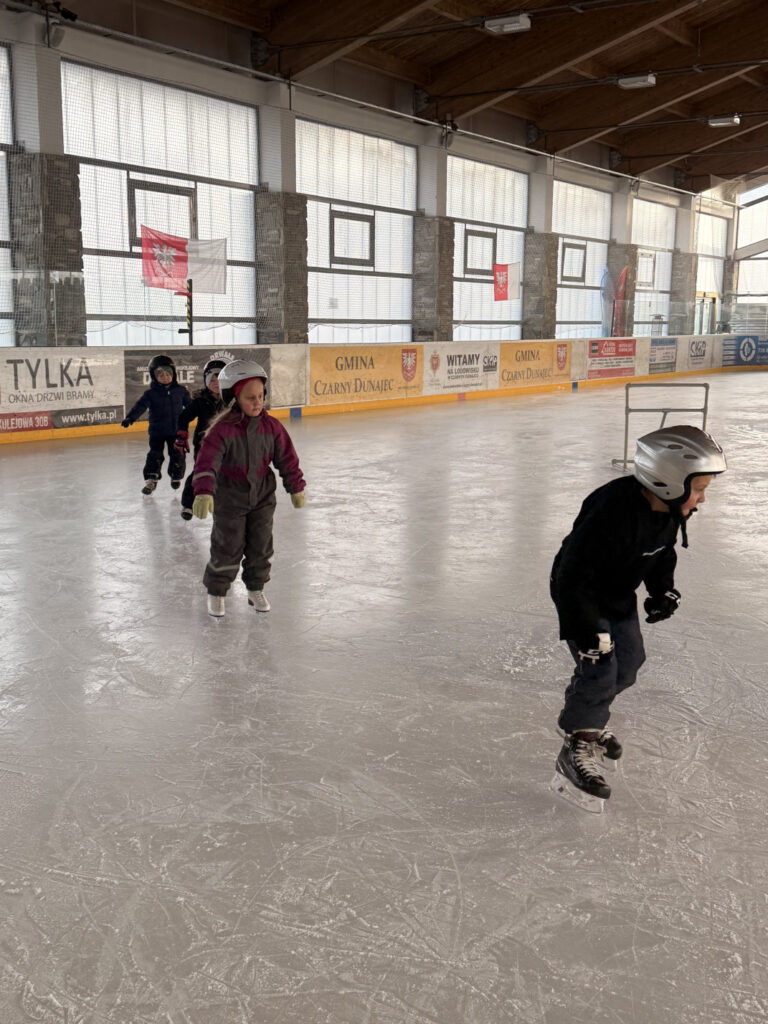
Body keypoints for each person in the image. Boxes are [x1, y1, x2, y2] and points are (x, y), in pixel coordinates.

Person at [549, 425, 727, 810]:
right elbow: (573, 575)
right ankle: (578, 740)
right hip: (581, 594)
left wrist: (661, 591)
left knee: (629, 664)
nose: (702, 499)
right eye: (699, 489)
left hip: (617, 594)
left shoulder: (669, 511)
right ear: (668, 482)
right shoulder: (611, 513)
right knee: (599, 669)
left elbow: (661, 552)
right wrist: (588, 630)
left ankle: (590, 716)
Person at [191, 359, 306, 618]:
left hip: (262, 497)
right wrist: (204, 491)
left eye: (261, 396)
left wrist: (296, 487)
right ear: (234, 399)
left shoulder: (272, 427)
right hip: (230, 498)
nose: (258, 402)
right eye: (250, 398)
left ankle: (255, 588)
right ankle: (217, 592)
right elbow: (206, 462)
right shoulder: (222, 430)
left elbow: (287, 459)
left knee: (261, 546)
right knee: (227, 546)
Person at [121, 354, 192, 495]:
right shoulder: (150, 394)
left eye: (168, 374)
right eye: (160, 375)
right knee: (155, 454)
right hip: (157, 431)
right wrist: (130, 418)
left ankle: (176, 474)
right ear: (154, 377)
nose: (165, 377)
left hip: (176, 431)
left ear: (173, 375)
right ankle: (151, 478)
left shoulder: (181, 391)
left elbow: (191, 407)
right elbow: (140, 406)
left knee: (177, 454)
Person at [175, 357, 228, 520]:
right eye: (212, 380)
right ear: (205, 382)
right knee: (201, 471)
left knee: (226, 472)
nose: (216, 384)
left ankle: (223, 503)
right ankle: (188, 503)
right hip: (204, 443)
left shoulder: (232, 401)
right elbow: (183, 417)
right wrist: (182, 435)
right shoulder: (200, 401)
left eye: (219, 380)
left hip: (227, 444)